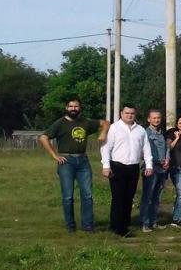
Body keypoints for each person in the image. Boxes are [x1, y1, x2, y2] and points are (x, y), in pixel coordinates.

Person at [39, 97, 109, 232]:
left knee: (87, 195)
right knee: (68, 196)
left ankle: (87, 226)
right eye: (71, 106)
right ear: (66, 108)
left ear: (79, 108)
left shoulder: (86, 122)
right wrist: (55, 155)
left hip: (83, 161)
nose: (73, 109)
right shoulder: (60, 123)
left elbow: (106, 122)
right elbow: (43, 137)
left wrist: (103, 133)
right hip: (66, 161)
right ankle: (70, 226)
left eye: (76, 106)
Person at [100, 104, 153, 237]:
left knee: (129, 197)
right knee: (118, 197)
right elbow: (106, 147)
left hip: (133, 167)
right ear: (121, 113)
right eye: (127, 113)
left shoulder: (140, 130)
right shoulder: (114, 128)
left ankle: (124, 222)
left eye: (132, 113)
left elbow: (146, 148)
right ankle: (119, 227)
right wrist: (106, 165)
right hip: (117, 166)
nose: (129, 116)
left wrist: (149, 165)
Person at [139, 109, 170, 232]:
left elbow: (167, 148)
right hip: (150, 168)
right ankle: (144, 222)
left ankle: (153, 221)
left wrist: (167, 159)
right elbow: (144, 152)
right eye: (154, 118)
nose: (156, 120)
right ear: (149, 119)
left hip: (162, 169)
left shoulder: (162, 133)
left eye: (158, 118)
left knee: (157, 196)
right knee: (148, 196)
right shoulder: (145, 133)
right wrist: (154, 162)